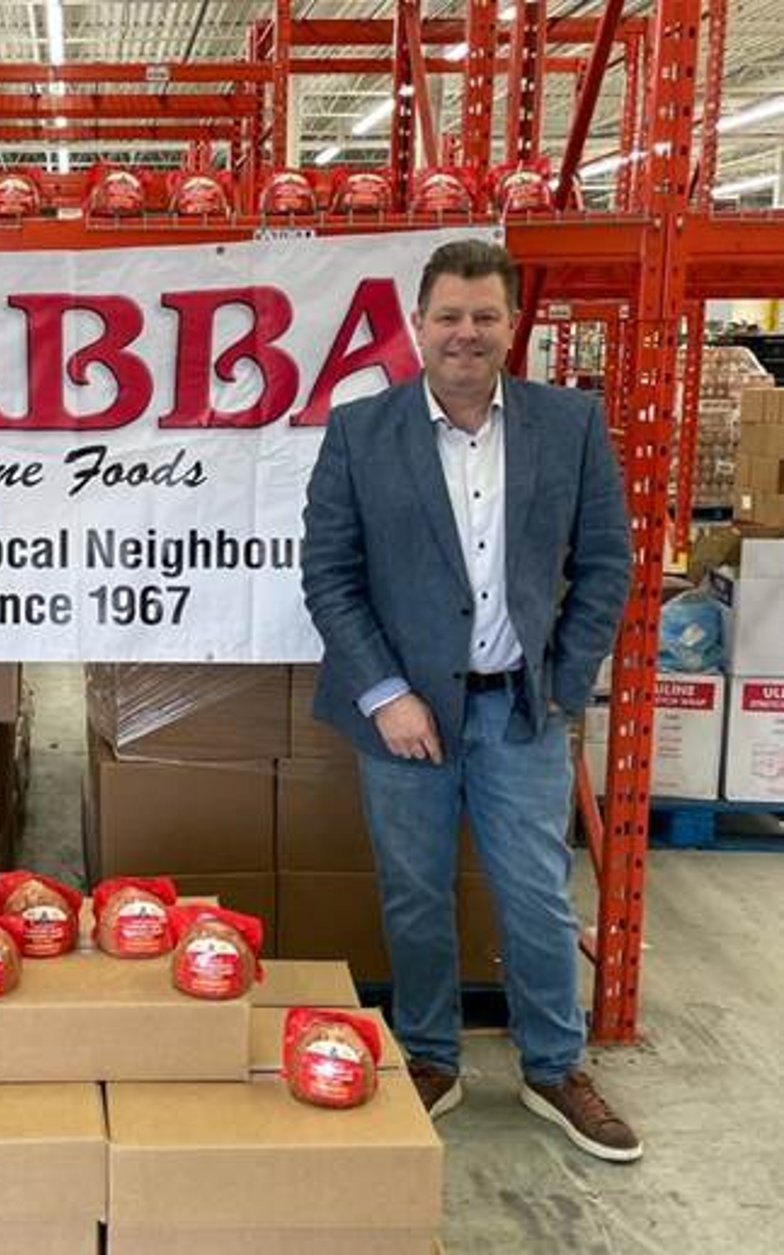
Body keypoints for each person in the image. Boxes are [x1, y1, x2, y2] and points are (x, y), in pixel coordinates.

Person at [301, 239, 641, 1162]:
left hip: (520, 709)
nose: (466, 334)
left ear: (513, 324)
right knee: (414, 892)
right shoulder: (360, 432)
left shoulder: (568, 425)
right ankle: (430, 1055)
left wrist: (564, 685)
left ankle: (552, 1066)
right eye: (448, 316)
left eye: (485, 316)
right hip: (402, 716)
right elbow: (330, 576)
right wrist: (386, 695)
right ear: (418, 325)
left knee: (535, 893)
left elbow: (606, 564)